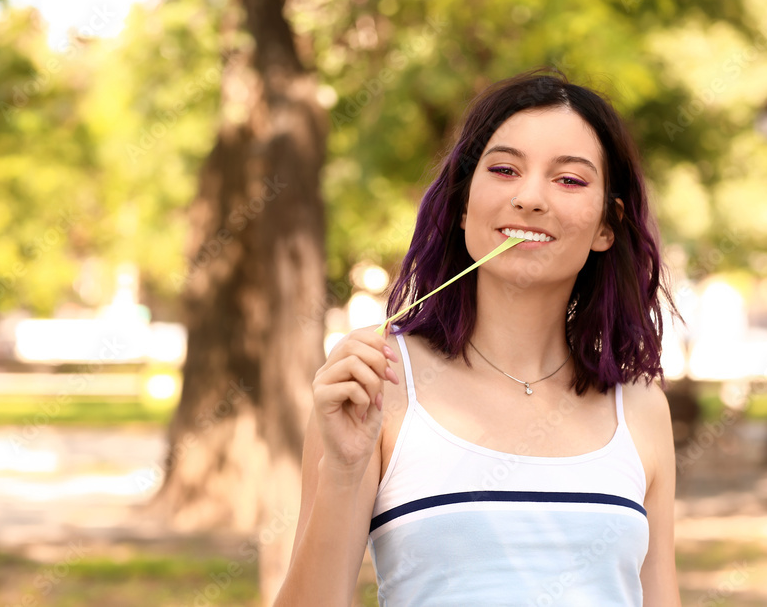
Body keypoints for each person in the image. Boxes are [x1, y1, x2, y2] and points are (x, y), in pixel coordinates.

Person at [274, 67, 683, 606]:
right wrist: (345, 473)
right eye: (506, 169)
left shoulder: (640, 406)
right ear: (465, 204)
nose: (531, 198)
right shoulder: (378, 381)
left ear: (607, 225)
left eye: (569, 179)